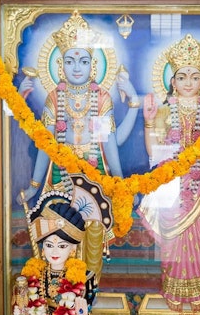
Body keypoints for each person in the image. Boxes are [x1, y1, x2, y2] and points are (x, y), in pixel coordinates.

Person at [138, 33, 200, 313]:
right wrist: (148, 122)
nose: (188, 83)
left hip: (199, 187)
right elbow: (153, 151)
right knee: (172, 242)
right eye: (182, 77)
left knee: (196, 238)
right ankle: (172, 289)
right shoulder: (164, 109)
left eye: (195, 77)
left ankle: (195, 290)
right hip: (171, 187)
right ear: (172, 81)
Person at [18, 10, 139, 204]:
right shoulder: (55, 98)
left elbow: (109, 144)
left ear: (92, 66)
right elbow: (45, 146)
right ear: (60, 66)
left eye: (83, 62)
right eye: (69, 61)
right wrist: (34, 186)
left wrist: (120, 184)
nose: (76, 68)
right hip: (60, 178)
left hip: (96, 176)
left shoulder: (100, 98)